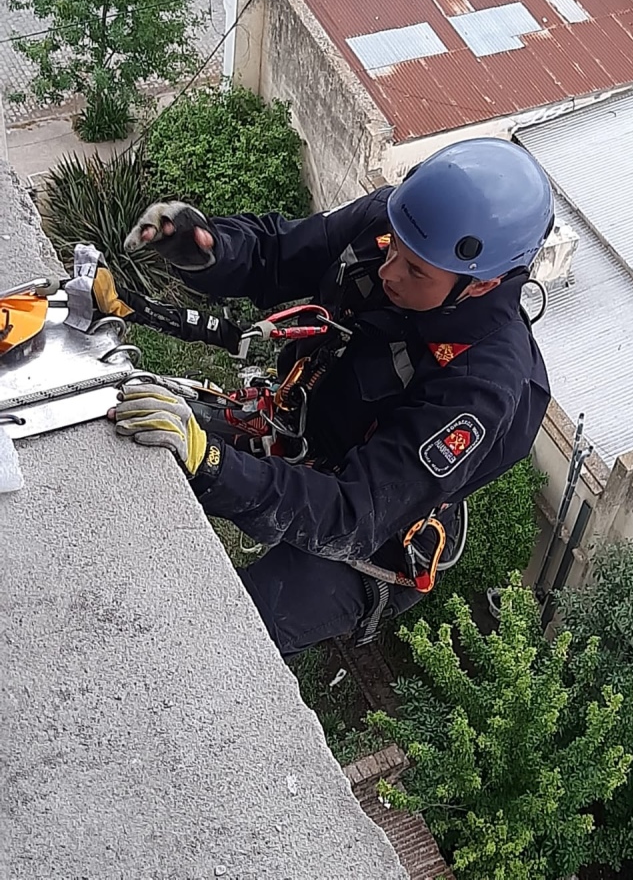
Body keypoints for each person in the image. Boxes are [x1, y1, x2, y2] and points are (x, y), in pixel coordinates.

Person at [114, 137, 554, 656]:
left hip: (373, 528)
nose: (389, 272)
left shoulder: (483, 383)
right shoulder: (397, 224)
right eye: (395, 249)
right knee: (126, 419)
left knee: (221, 635)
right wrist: (210, 250)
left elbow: (353, 514)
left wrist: (209, 462)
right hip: (299, 430)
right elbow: (278, 253)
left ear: (483, 284)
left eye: (417, 272)